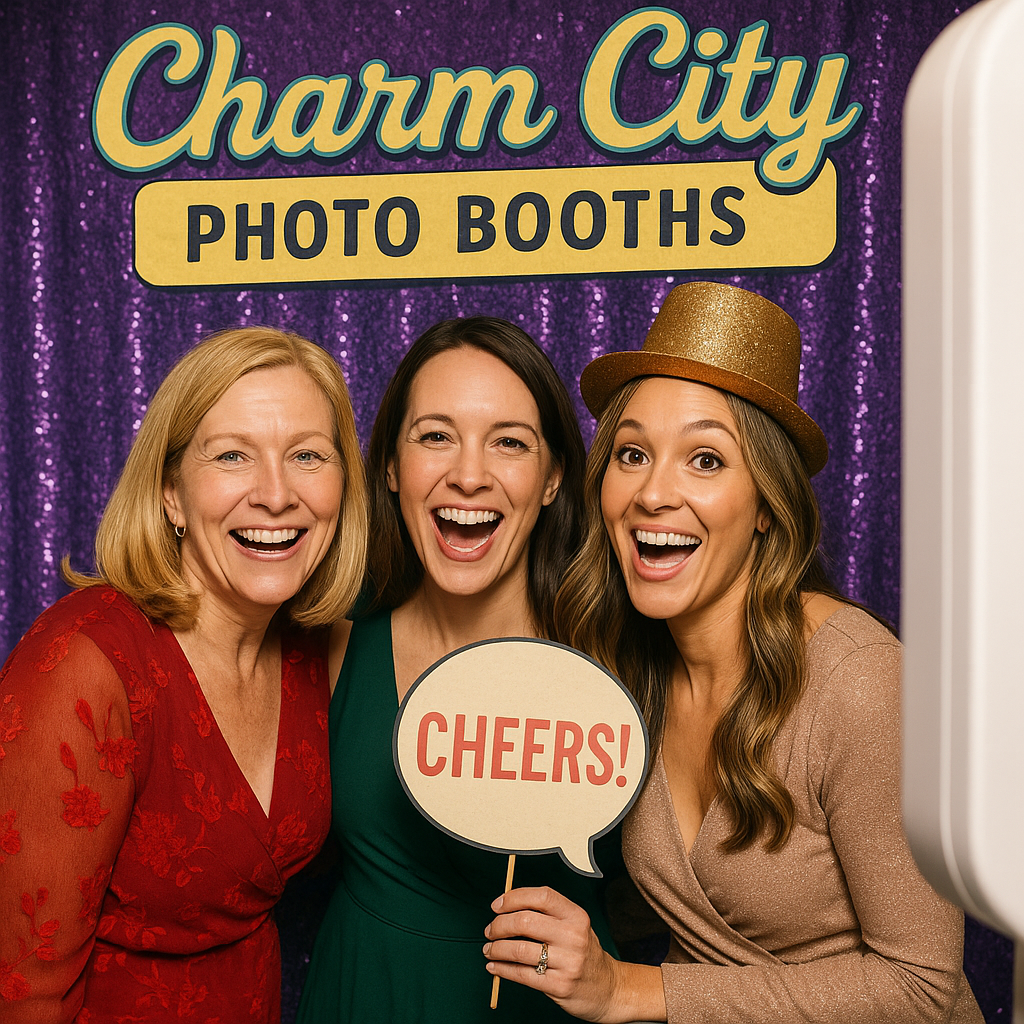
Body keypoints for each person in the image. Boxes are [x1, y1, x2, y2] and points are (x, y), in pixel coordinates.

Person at [483, 282, 983, 1023]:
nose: (654, 493)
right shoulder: (626, 670)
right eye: (631, 454)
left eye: (706, 460)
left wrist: (629, 989)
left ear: (766, 505)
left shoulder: (861, 681)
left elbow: (921, 987)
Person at [0, 327, 368, 1022]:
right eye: (233, 455)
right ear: (171, 493)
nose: (276, 493)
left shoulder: (316, 652)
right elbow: (22, 988)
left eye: (308, 456)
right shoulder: (85, 664)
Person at [296, 317, 620, 1023]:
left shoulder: (616, 657)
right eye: (435, 436)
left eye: (509, 442)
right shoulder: (332, 635)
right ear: (389, 466)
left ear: (553, 478)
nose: (468, 475)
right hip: (361, 994)